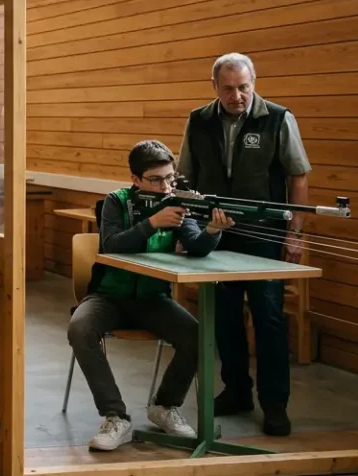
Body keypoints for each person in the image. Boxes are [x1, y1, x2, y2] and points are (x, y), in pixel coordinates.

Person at [67, 140, 234, 451]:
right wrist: (152, 224)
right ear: (135, 179)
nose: (165, 186)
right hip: (108, 296)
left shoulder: (177, 200)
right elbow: (112, 245)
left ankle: (165, 406)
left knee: (197, 335)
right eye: (155, 180)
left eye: (169, 177)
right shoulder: (115, 202)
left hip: (152, 298)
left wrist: (212, 231)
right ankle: (116, 416)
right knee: (80, 329)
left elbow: (197, 246)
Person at [177, 52, 311, 437]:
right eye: (228, 89)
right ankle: (236, 391)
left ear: (254, 83)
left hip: (264, 235)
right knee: (225, 315)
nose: (237, 96)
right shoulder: (198, 121)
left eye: (244, 87)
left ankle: (275, 404)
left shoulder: (278, 118)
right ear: (214, 87)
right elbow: (185, 179)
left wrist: (295, 234)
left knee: (268, 316)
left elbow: (298, 177)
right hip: (216, 234)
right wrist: (186, 231)